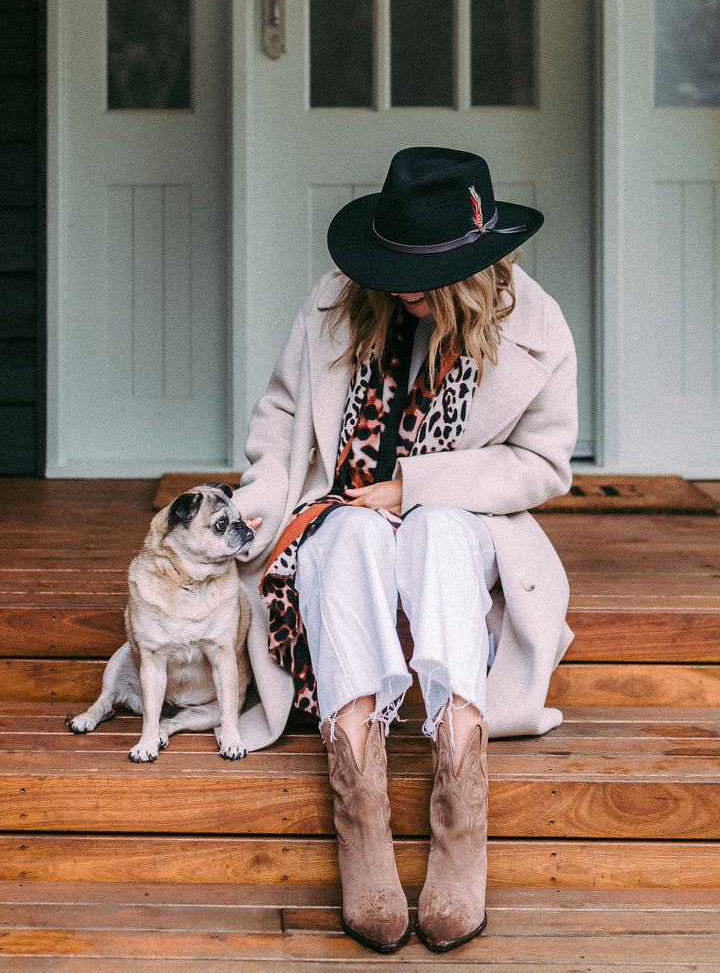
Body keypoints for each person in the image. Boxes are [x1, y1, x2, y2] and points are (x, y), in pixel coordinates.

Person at [231, 146, 578, 954]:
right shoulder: (339, 303)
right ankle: (362, 817)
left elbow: (541, 465)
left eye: (420, 274)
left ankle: (461, 813)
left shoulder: (535, 327)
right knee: (350, 531)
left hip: (462, 529)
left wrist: (415, 486)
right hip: (339, 510)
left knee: (434, 528)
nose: (401, 287)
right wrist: (256, 504)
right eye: (390, 267)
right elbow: (283, 419)